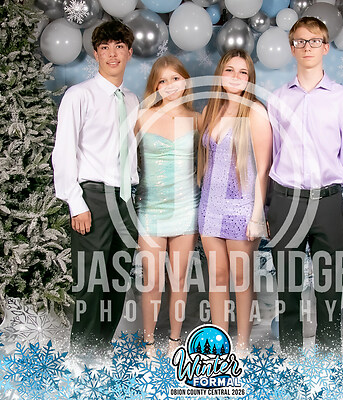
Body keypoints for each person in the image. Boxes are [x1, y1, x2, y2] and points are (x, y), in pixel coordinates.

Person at [266, 17, 343, 354]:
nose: (307, 47)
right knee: (288, 288)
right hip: (286, 203)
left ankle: (329, 358)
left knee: (329, 288)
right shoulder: (277, 100)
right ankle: (291, 358)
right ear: (291, 48)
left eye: (314, 41)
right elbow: (270, 158)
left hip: (327, 203)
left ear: (325, 47)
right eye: (300, 41)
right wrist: (268, 208)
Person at [52, 20, 138, 351]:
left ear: (129, 53)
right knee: (90, 283)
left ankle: (100, 352)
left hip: (125, 200)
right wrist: (76, 203)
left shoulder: (131, 99)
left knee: (117, 281)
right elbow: (63, 152)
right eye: (105, 48)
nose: (112, 54)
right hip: (93, 197)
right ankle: (81, 357)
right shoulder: (79, 95)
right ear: (96, 54)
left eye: (119, 47)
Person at [197, 49, 272, 353]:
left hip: (242, 210)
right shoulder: (211, 110)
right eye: (230, 70)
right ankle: (219, 342)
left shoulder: (255, 112)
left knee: (241, 279)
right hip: (209, 208)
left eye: (243, 72)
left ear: (250, 78)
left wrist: (257, 216)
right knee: (217, 277)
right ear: (220, 73)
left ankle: (242, 344)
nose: (236, 77)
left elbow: (264, 169)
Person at [135, 55, 200, 356]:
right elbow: (120, 156)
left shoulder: (197, 118)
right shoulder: (141, 117)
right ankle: (149, 343)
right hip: (151, 209)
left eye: (176, 78)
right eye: (163, 81)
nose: (170, 85)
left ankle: (175, 341)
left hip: (186, 209)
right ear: (155, 86)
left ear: (185, 81)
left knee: (179, 280)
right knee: (152, 281)